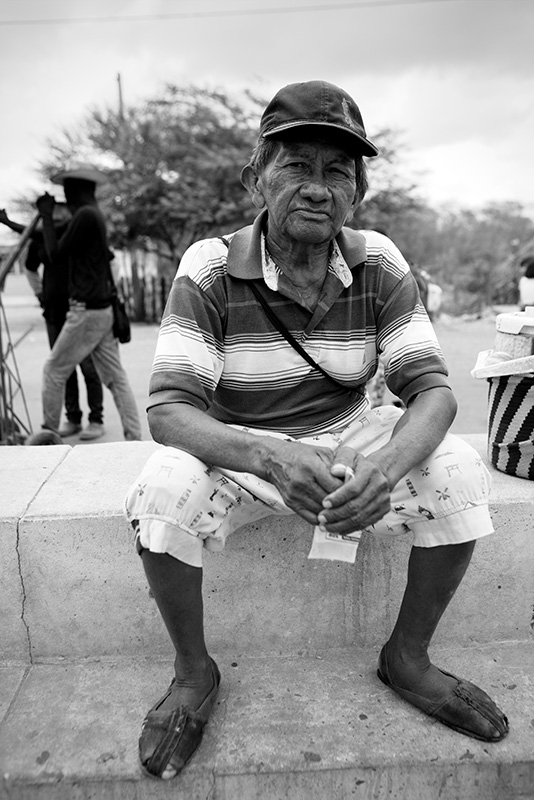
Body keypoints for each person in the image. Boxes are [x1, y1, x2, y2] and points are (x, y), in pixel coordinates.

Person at [124, 81, 508, 780]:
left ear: (358, 188)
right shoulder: (208, 268)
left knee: (456, 472)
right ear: (257, 177)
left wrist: (384, 468)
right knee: (160, 494)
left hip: (350, 437)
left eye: (338, 171)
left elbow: (433, 393)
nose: (317, 187)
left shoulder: (380, 261)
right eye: (297, 165)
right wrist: (272, 458)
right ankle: (193, 675)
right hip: (241, 446)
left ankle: (407, 660)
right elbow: (169, 411)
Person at [35, 163, 142, 441]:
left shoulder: (84, 216)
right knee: (115, 377)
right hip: (101, 310)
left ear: (77, 191)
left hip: (86, 312)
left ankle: (48, 436)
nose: (66, 197)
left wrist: (45, 214)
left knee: (54, 370)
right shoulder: (93, 215)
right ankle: (133, 436)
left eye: (68, 191)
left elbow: (54, 253)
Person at [0, 206, 106, 440]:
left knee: (88, 367)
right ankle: (73, 418)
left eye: (59, 212)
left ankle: (96, 419)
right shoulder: (40, 240)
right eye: (52, 213)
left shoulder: (73, 233)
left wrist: (10, 223)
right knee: (61, 369)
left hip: (79, 310)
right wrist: (40, 294)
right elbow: (30, 269)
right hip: (54, 313)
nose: (56, 217)